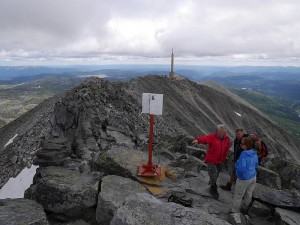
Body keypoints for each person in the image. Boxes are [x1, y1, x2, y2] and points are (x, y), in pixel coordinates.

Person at [192, 124, 231, 199]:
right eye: (218, 131)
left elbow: (226, 149)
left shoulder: (227, 139)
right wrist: (198, 140)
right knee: (213, 174)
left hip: (219, 160)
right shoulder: (213, 137)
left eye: (221, 131)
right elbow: (205, 138)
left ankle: (212, 182)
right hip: (211, 160)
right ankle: (213, 188)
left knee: (216, 174)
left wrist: (223, 158)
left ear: (225, 132)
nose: (219, 132)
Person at [231, 137, 258, 214]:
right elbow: (256, 165)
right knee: (249, 193)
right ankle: (245, 208)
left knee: (238, 195)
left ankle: (234, 211)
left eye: (242, 144)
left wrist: (238, 175)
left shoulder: (244, 154)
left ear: (247, 145)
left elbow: (241, 169)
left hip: (244, 178)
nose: (240, 145)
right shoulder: (254, 153)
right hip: (253, 177)